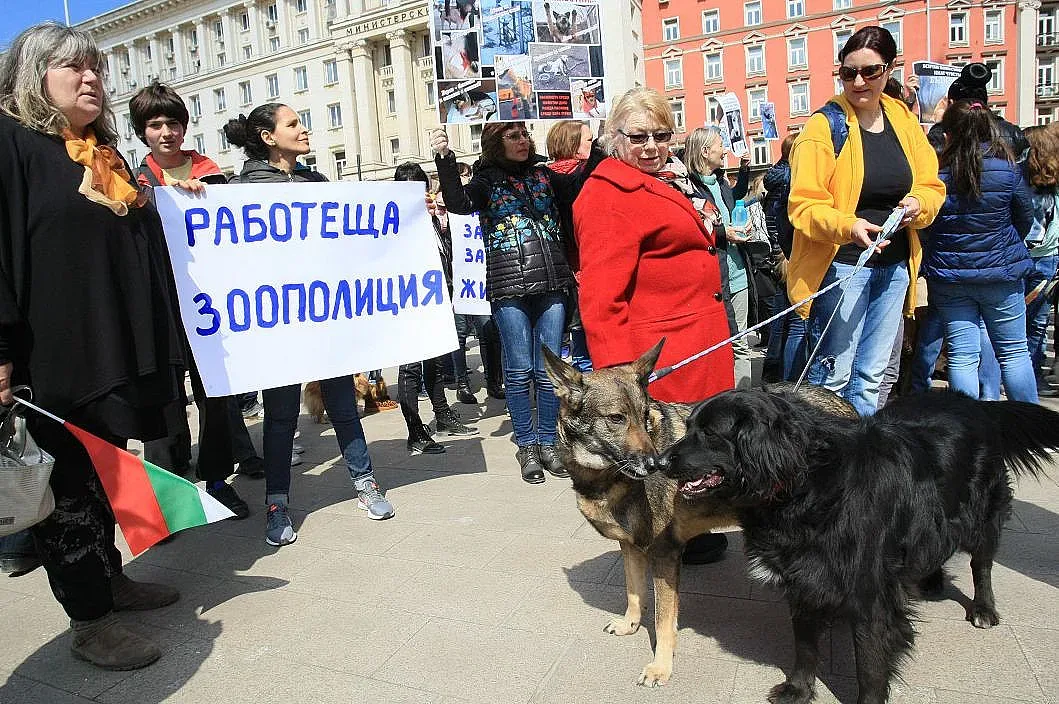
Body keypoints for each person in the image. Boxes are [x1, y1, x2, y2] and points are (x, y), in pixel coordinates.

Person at [0, 22, 187, 670]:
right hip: (51, 359)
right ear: (34, 78)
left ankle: (111, 579)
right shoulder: (10, 144)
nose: (90, 79)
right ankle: (89, 621)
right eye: (71, 68)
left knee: (105, 476)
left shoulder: (96, 149)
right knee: (69, 493)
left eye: (95, 69)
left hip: (111, 348)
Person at [574, 87, 735, 564]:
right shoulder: (608, 196)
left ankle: (692, 525)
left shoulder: (653, 180)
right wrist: (620, 381)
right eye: (638, 136)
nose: (651, 146)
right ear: (613, 137)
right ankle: (670, 534)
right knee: (668, 450)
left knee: (692, 445)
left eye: (661, 136)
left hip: (693, 341)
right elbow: (601, 299)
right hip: (662, 355)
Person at [223, 103, 394, 546]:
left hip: (324, 321)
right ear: (266, 136)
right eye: (294, 123)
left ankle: (364, 482)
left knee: (343, 404)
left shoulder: (318, 184)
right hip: (278, 326)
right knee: (280, 416)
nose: (304, 129)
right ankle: (277, 502)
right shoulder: (240, 189)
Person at [787, 26, 945, 416]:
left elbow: (931, 185)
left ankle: (864, 466)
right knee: (832, 378)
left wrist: (916, 203)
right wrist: (848, 226)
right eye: (849, 72)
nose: (859, 81)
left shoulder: (903, 121)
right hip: (842, 267)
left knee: (874, 377)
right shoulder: (823, 127)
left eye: (870, 72)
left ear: (889, 70)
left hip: (894, 267)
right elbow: (803, 205)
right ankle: (828, 463)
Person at [128, 80, 259, 516]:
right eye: (154, 124)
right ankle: (169, 497)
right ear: (142, 132)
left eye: (173, 123)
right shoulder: (132, 183)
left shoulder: (212, 173)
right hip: (161, 308)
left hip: (212, 307)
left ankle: (218, 480)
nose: (165, 132)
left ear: (184, 127)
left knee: (216, 397)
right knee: (164, 405)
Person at [431, 122, 575, 484]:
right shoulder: (486, 181)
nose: (523, 140)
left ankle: (548, 443)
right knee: (518, 369)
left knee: (548, 372)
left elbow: (579, 190)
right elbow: (459, 204)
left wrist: (602, 147)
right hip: (508, 287)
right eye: (513, 136)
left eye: (525, 133)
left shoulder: (544, 176)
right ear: (496, 144)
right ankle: (526, 445)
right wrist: (445, 160)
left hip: (552, 283)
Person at [921, 100, 1037, 402]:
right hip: (1001, 273)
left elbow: (926, 226)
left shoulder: (937, 177)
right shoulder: (1008, 170)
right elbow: (1024, 217)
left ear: (948, 135)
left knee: (962, 356)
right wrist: (1004, 245)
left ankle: (968, 430)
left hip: (949, 276)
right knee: (1013, 352)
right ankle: (1031, 427)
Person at [392, 162, 477, 455]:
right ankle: (415, 430)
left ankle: (442, 416)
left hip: (437, 299)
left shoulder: (430, 219)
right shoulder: (394, 224)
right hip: (409, 304)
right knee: (411, 369)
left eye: (424, 188)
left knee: (436, 364)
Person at [683, 126, 756, 390]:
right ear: (705, 152)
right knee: (729, 345)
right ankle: (738, 404)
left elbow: (733, 200)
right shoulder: (688, 188)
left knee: (740, 342)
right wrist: (727, 233)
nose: (725, 149)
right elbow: (697, 228)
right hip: (715, 277)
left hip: (738, 274)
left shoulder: (721, 182)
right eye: (720, 145)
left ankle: (742, 402)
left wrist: (745, 169)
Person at [545, 120, 594, 374]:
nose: (593, 144)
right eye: (588, 140)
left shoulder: (544, 177)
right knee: (585, 351)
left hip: (569, 269)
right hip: (577, 268)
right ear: (573, 146)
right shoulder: (571, 179)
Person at [763, 133, 806, 381]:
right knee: (797, 323)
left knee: (782, 318)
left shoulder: (775, 179)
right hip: (789, 254)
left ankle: (773, 371)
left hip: (780, 252)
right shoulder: (792, 181)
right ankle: (789, 380)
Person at [1020, 125, 1059, 397]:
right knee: (1035, 323)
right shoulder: (1021, 184)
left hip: (1035, 260)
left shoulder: (1023, 183)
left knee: (1026, 322)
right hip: (1043, 260)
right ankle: (1030, 374)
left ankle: (1027, 375)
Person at [927, 63, 1029, 160]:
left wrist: (941, 124)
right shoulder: (1012, 133)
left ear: (952, 103)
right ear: (985, 101)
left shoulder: (940, 135)